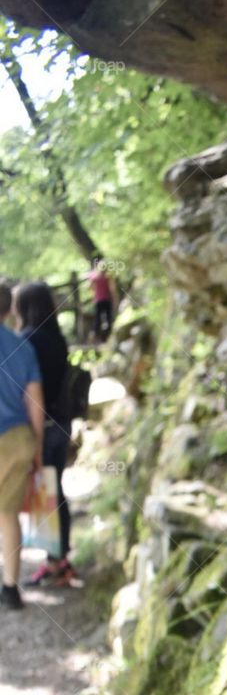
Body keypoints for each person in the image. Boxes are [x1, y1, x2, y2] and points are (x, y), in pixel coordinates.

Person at [13, 282, 75, 587]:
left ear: (24, 307)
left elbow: (28, 391)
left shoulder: (27, 340)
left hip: (43, 427)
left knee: (45, 492)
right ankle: (59, 557)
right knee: (55, 490)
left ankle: (56, 564)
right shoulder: (57, 338)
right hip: (62, 423)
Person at [0, 282, 44, 609]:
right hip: (17, 438)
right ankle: (11, 588)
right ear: (8, 309)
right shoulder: (22, 346)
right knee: (8, 514)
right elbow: (35, 403)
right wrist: (38, 448)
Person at [88, 256, 117, 342]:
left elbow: (89, 287)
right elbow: (113, 289)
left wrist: (94, 292)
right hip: (107, 300)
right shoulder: (108, 277)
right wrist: (115, 299)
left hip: (98, 300)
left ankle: (95, 337)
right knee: (108, 318)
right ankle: (107, 337)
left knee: (98, 319)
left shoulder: (95, 277)